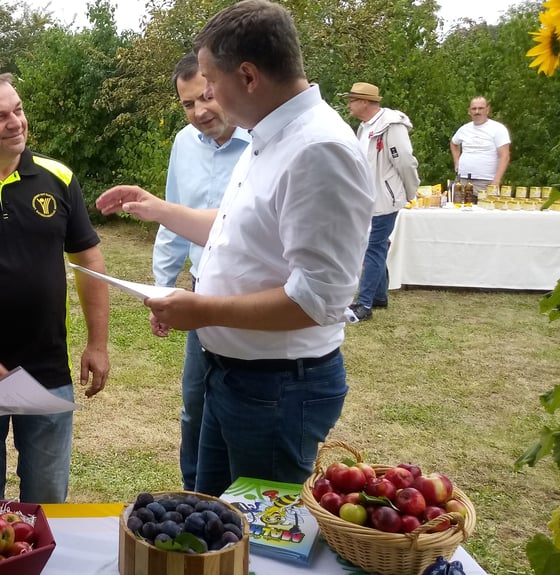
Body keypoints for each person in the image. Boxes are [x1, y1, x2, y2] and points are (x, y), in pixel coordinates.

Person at [96, 0, 375, 497]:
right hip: (236, 376)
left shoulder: (318, 150)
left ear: (247, 76)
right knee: (214, 516)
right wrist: (159, 208)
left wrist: (201, 309)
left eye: (210, 82)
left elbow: (320, 299)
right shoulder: (270, 136)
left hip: (277, 388)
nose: (207, 97)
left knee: (258, 544)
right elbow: (237, 234)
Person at [0, 71, 110, 503]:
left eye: (19, 110)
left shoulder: (58, 179)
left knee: (47, 496)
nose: (16, 122)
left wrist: (98, 344)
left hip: (47, 371)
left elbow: (88, 260)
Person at [152, 53, 251, 492]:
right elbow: (173, 219)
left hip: (252, 296)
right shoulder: (183, 144)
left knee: (242, 406)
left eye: (207, 97)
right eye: (189, 105)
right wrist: (160, 290)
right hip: (199, 289)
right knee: (195, 405)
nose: (200, 112)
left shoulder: (261, 144)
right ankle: (195, 496)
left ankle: (241, 501)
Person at [345, 82, 420, 322]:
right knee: (374, 245)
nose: (349, 105)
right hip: (370, 198)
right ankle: (378, 296)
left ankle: (365, 304)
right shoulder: (366, 126)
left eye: (353, 100)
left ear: (365, 102)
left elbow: (405, 162)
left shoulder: (391, 126)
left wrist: (410, 192)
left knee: (373, 247)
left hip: (385, 199)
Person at [450, 96, 510, 191]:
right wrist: (457, 162)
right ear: (469, 111)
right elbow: (454, 143)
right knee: (459, 205)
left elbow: (505, 156)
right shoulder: (464, 129)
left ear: (487, 110)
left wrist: (497, 180)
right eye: (474, 109)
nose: (477, 111)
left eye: (480, 108)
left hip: (485, 181)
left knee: (482, 206)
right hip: (463, 179)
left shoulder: (498, 129)